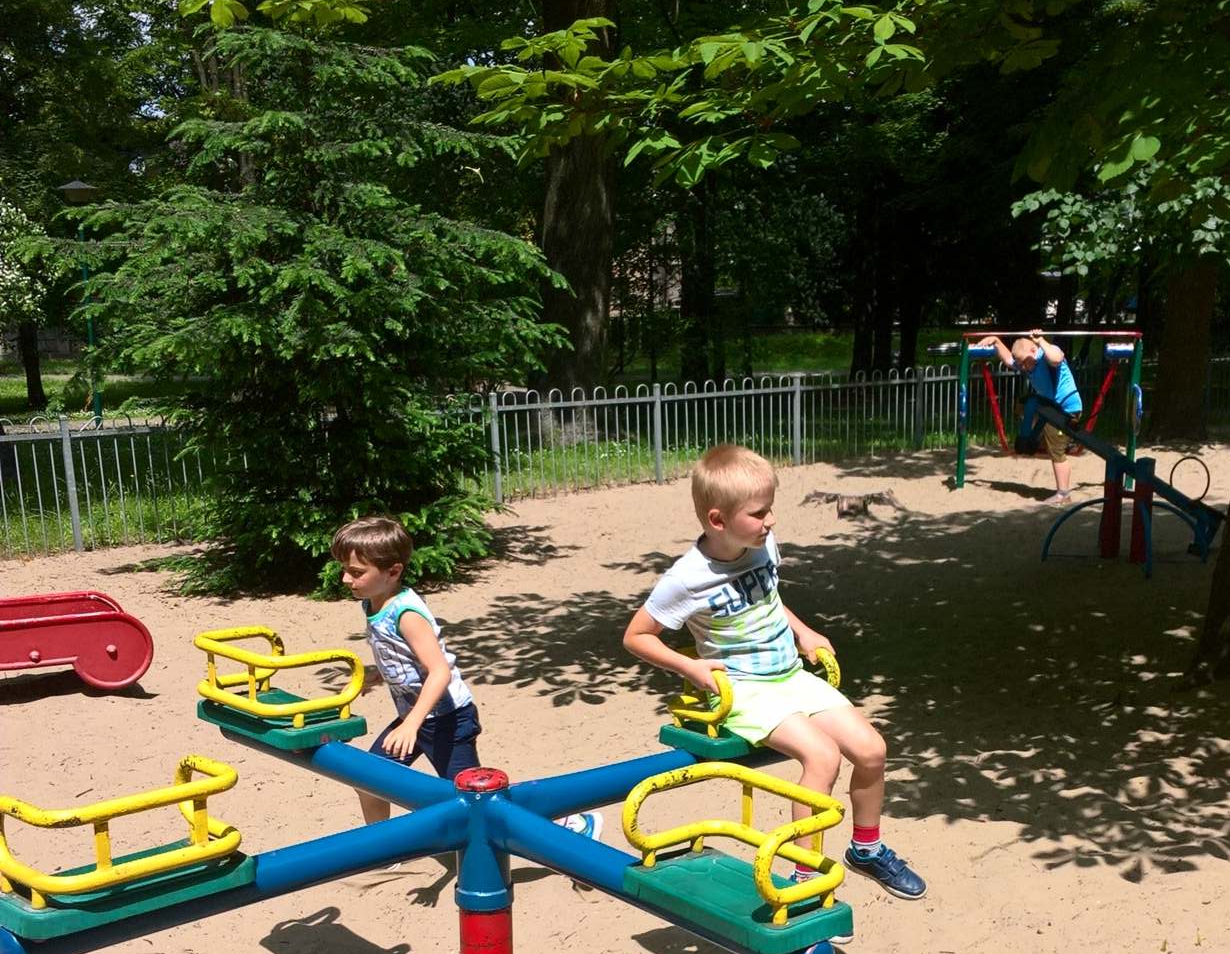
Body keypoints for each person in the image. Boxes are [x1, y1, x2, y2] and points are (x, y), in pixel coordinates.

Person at [621, 445, 926, 901]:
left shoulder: (761, 545)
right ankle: (804, 877)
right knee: (822, 757)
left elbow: (768, 599)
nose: (771, 520)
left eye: (770, 508)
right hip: (745, 689)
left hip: (790, 676)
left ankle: (866, 848)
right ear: (718, 520)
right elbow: (637, 636)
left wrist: (803, 631)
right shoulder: (687, 578)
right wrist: (689, 665)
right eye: (759, 512)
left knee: (871, 750)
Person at [331, 513, 600, 840]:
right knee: (368, 779)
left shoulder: (406, 614)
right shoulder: (374, 603)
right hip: (419, 716)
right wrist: (378, 675)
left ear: (393, 572)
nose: (346, 578)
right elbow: (407, 660)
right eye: (344, 569)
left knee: (477, 800)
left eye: (356, 572)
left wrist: (411, 724)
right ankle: (381, 847)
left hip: (448, 720)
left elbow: (439, 671)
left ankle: (569, 825)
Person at [979, 328, 1083, 503]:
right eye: (1021, 364)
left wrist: (1041, 340)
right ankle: (1033, 441)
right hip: (1051, 408)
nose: (1023, 367)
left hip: (1066, 410)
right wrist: (996, 341)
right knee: (1026, 404)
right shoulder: (1027, 361)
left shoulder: (1046, 355)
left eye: (1025, 362)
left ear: (1034, 351)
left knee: (1056, 450)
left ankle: (1063, 494)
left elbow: (1056, 359)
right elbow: (1009, 360)